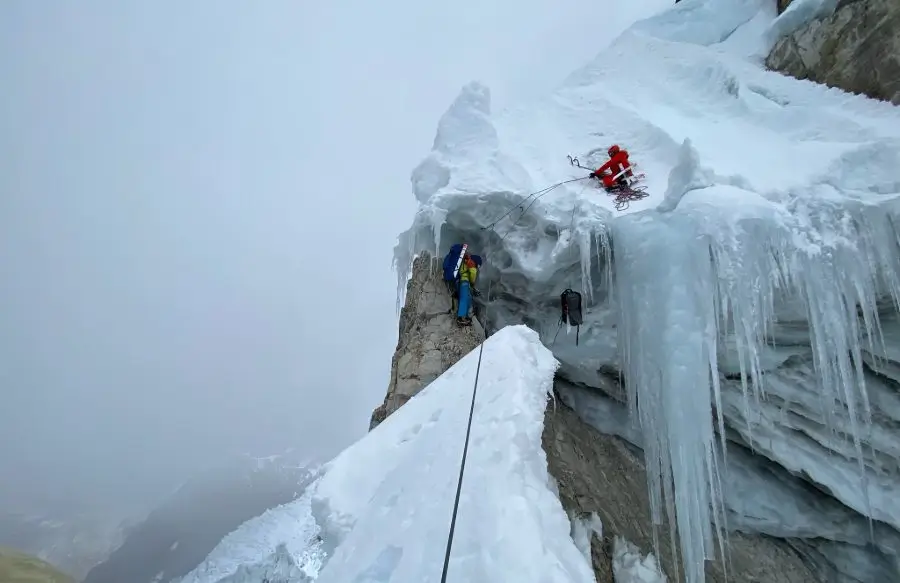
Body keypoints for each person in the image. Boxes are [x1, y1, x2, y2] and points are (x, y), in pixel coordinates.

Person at [441, 244, 482, 326]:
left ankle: (465, 315)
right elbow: (472, 274)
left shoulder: (464, 260)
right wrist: (472, 283)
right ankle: (461, 317)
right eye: (478, 265)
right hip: (464, 281)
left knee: (467, 297)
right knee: (464, 298)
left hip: (458, 281)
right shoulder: (471, 263)